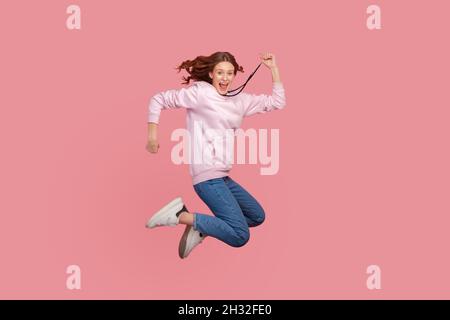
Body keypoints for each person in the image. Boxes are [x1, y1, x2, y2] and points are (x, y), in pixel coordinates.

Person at [145, 51, 286, 259]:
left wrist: (273, 69)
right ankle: (180, 216)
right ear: (211, 74)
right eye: (220, 72)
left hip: (222, 177)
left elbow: (277, 102)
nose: (225, 78)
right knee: (240, 235)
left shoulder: (240, 100)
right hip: (207, 178)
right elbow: (159, 99)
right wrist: (152, 137)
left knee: (257, 216)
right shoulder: (201, 93)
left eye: (229, 73)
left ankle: (201, 227)